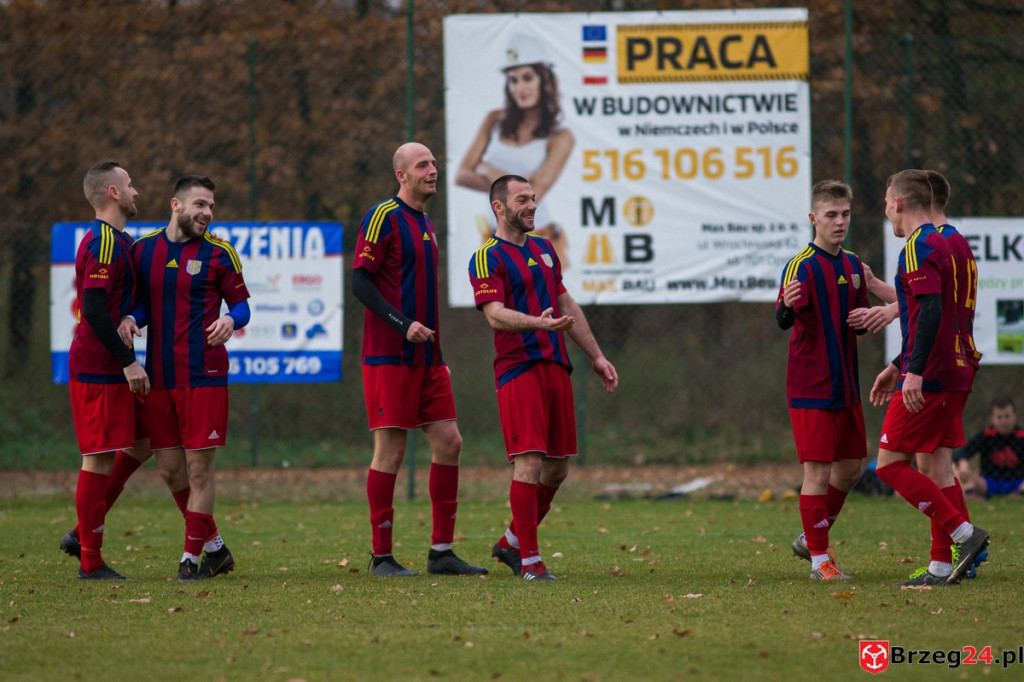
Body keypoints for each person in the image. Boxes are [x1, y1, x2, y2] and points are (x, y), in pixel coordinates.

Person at [469, 174, 618, 581]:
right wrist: (537, 323)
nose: (532, 205)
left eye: (534, 198)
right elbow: (494, 314)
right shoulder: (487, 256)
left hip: (557, 367)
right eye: (522, 199)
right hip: (519, 369)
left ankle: (511, 542)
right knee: (529, 462)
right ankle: (531, 562)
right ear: (499, 207)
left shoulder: (544, 249)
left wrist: (596, 356)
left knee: (557, 469)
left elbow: (566, 302)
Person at [352, 142, 487, 578]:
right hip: (389, 354)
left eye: (433, 163)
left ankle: (442, 552)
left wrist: (438, 354)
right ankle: (381, 557)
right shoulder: (383, 216)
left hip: (428, 358)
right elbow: (360, 282)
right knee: (390, 450)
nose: (433, 170)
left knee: (450, 442)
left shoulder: (426, 222)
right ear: (401, 175)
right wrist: (401, 323)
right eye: (422, 164)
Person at [851, 170, 986, 582]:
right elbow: (926, 307)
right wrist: (897, 365)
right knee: (937, 466)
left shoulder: (918, 245)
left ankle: (965, 534)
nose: (887, 212)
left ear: (898, 203)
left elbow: (930, 312)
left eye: (886, 203)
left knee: (890, 465)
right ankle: (943, 565)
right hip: (958, 367)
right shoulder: (954, 242)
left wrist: (913, 371)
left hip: (933, 374)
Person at [121, 175, 250, 581]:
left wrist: (230, 319)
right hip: (159, 377)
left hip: (205, 377)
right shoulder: (143, 250)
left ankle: (189, 560)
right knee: (171, 471)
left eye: (211, 206)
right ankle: (215, 548)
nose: (207, 213)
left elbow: (243, 306)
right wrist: (129, 318)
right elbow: (142, 304)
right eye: (199, 205)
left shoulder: (220, 252)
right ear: (176, 205)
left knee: (199, 471)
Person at [775, 180, 869, 581]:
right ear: (814, 218)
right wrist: (788, 305)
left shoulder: (852, 264)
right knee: (817, 472)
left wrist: (867, 320)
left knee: (851, 468)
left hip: (845, 385)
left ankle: (811, 535)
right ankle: (819, 561)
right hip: (812, 386)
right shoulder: (802, 265)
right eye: (831, 215)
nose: (839, 222)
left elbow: (860, 323)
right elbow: (781, 318)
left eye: (845, 214)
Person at [66, 161, 150, 580]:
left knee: (145, 442)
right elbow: (95, 309)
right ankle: (90, 559)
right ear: (113, 193)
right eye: (130, 185)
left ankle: (81, 532)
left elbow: (125, 300)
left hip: (113, 365)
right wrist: (128, 360)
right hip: (99, 368)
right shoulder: (101, 241)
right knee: (96, 459)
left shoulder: (123, 241)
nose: (136, 191)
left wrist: (132, 317)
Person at [456, 33, 573, 266]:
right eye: (513, 80)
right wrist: (518, 182)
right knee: (496, 300)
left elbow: (535, 192)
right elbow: (462, 175)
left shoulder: (559, 137)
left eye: (527, 77)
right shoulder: (494, 120)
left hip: (537, 235)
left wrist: (488, 169)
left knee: (543, 301)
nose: (520, 87)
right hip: (495, 235)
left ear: (544, 80)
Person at [955, 398, 1024, 497]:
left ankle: (1019, 494)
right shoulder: (986, 435)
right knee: (955, 466)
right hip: (987, 484)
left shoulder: (1021, 435)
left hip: (1018, 483)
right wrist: (963, 462)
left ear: (1014, 416)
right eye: (999, 417)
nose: (1004, 421)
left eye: (1007, 416)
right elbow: (961, 452)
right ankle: (971, 493)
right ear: (992, 418)